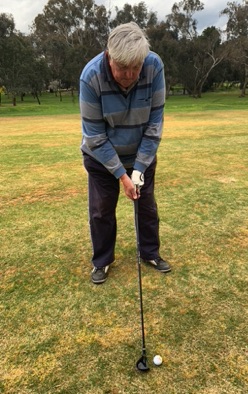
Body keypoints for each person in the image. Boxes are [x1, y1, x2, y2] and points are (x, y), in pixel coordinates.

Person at [79, 22, 171, 284]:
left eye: (135, 68)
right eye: (122, 68)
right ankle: (103, 260)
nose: (130, 74)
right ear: (109, 57)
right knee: (101, 210)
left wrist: (139, 169)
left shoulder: (154, 66)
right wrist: (122, 175)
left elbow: (155, 125)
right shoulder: (91, 76)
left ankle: (150, 252)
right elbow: (95, 137)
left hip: (141, 152)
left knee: (147, 206)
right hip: (100, 157)